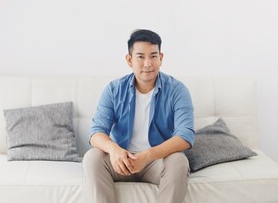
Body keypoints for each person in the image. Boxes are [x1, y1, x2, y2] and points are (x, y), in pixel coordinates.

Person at [83, 29, 195, 203]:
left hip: (156, 161)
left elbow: (185, 136)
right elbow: (96, 132)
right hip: (121, 160)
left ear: (161, 58)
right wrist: (114, 150)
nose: (148, 63)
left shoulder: (177, 90)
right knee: (92, 157)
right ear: (129, 60)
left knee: (179, 161)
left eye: (153, 56)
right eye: (141, 57)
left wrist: (148, 156)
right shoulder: (113, 90)